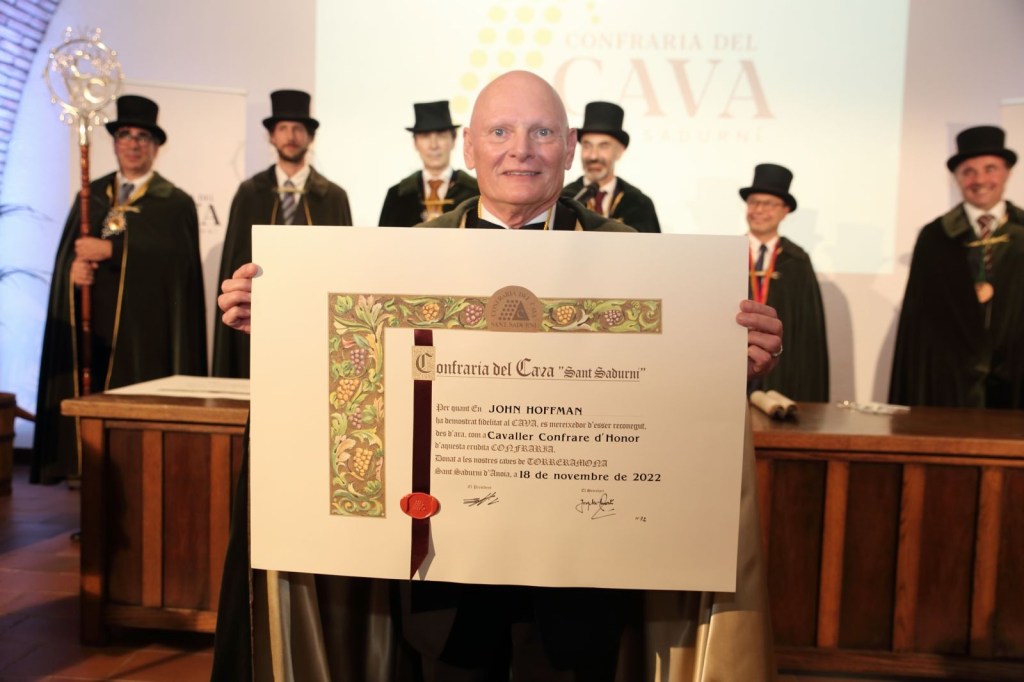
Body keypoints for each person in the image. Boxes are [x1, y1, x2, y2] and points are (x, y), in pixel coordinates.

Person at [215, 71, 781, 681]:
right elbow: (354, 369)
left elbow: (669, 392)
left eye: (543, 133)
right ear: (469, 148)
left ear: (570, 148)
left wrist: (737, 358)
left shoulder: (633, 253)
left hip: (583, 581)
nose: (521, 150)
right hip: (442, 579)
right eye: (501, 132)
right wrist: (281, 322)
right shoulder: (404, 252)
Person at [31, 95, 207, 484]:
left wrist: (114, 249)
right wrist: (73, 272)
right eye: (125, 135)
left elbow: (178, 267)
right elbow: (69, 257)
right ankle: (85, 476)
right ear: (114, 143)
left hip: (143, 337)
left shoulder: (174, 203)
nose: (133, 144)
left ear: (156, 146)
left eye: (143, 137)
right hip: (93, 330)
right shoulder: (91, 196)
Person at [211, 89, 352, 378]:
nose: (291, 136)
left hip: (313, 324)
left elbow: (344, 271)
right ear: (272, 137)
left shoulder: (333, 196)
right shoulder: (249, 193)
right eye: (283, 128)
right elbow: (234, 263)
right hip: (257, 323)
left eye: (298, 129)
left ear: (310, 137)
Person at [890, 125, 1024, 408]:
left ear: (1007, 173)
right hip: (951, 385)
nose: (980, 180)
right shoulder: (936, 237)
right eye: (968, 172)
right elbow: (921, 325)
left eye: (990, 169)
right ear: (957, 178)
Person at [742, 163, 829, 402]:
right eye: (753, 202)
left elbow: (807, 331)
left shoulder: (797, 260)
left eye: (769, 204)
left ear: (785, 210)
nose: (759, 210)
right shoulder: (727, 254)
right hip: (734, 365)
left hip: (783, 371)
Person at [561, 101, 661, 233]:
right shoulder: (565, 199)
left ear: (619, 151)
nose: (593, 156)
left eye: (603, 146)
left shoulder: (639, 204)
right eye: (587, 145)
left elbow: (651, 245)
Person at [378, 101, 479, 226]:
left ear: (453, 140)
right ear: (415, 143)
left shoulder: (474, 191)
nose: (434, 145)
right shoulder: (397, 195)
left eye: (441, 136)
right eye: (425, 136)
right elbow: (384, 237)